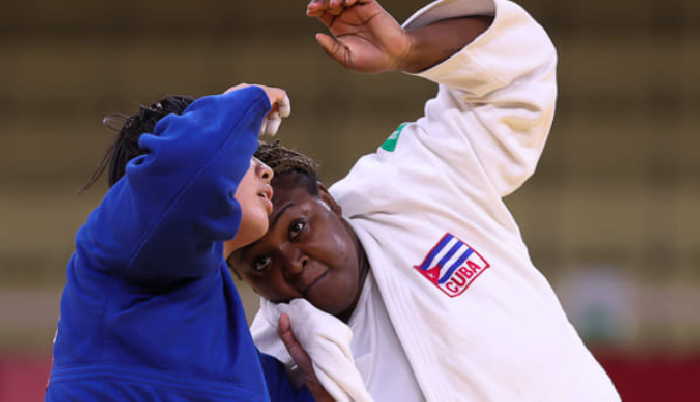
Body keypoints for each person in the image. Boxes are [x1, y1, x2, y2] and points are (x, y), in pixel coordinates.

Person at [229, 0, 622, 401]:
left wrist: (408, 48)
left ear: (328, 201)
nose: (291, 264)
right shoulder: (272, 365)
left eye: (297, 228)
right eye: (261, 261)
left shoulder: (411, 184)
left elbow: (519, 74)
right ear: (241, 277)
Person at [46, 84, 331, 401]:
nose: (266, 171)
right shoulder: (124, 228)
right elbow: (187, 169)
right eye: (244, 154)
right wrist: (248, 100)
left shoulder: (239, 360)